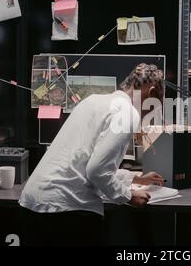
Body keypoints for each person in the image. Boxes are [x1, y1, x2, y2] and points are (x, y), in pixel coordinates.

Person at [19, 64, 165, 246]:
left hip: (32, 203)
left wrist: (135, 179)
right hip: (67, 211)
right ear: (151, 94)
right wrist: (127, 196)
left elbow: (84, 162)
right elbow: (96, 170)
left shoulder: (92, 101)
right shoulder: (128, 112)